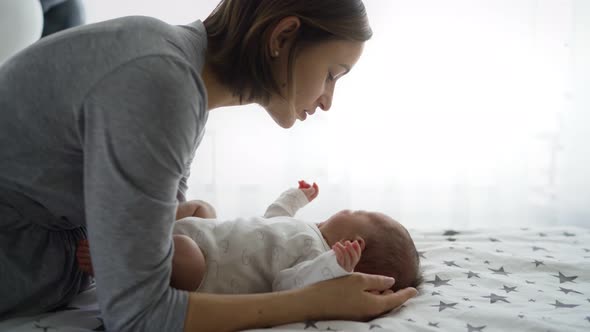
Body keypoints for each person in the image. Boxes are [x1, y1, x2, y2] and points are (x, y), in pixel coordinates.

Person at [0, 1, 418, 331]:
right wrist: (313, 302)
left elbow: (152, 240)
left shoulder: (175, 69)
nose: (328, 100)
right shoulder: (160, 84)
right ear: (284, 36)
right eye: (332, 74)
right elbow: (137, 316)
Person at [76, 181, 423, 294]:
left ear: (354, 248)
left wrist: (332, 269)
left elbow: (287, 284)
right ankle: (139, 225)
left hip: (203, 270)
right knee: (201, 207)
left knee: (182, 251)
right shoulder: (308, 233)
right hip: (207, 233)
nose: (359, 209)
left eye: (368, 217)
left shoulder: (317, 260)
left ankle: (117, 259)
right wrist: (295, 198)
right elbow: (273, 218)